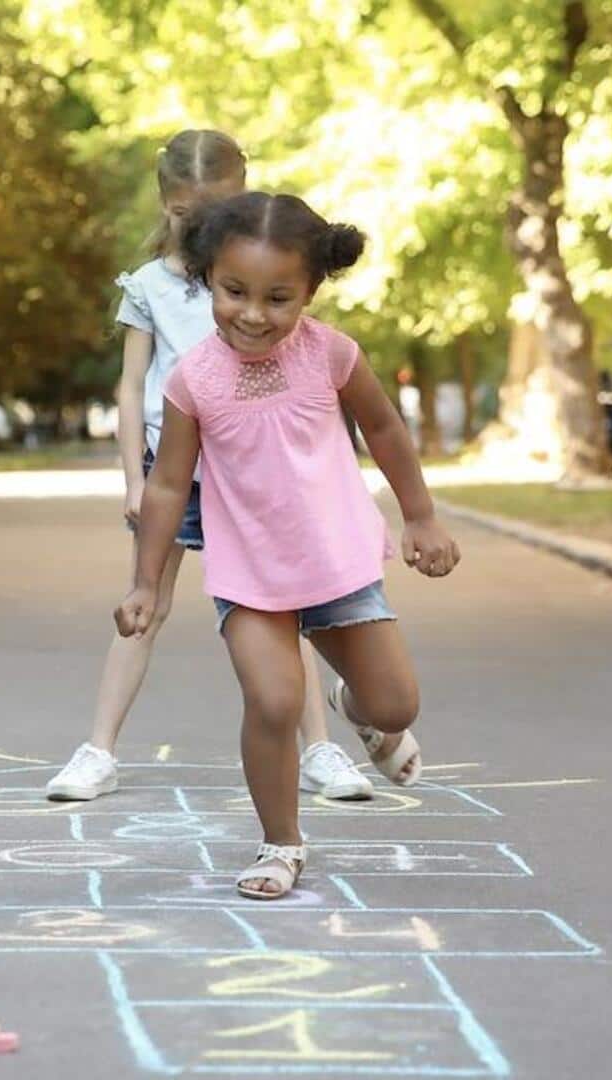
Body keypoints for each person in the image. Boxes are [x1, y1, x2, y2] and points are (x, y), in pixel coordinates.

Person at [116, 192, 462, 899]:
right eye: (233, 291)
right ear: (209, 277)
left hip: (336, 562)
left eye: (278, 298)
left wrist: (421, 515)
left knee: (395, 706)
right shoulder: (194, 380)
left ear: (311, 291)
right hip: (250, 574)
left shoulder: (331, 354)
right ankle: (281, 844)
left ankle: (359, 711)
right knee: (273, 703)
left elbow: (387, 430)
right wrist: (146, 582)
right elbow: (166, 485)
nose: (252, 313)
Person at [47, 130, 375, 804]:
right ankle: (97, 750)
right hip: (177, 469)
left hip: (258, 471)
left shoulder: (259, 276)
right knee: (145, 603)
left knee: (289, 609)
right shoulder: (147, 287)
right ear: (165, 205)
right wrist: (135, 481)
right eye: (184, 215)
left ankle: (321, 749)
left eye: (214, 212)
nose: (197, 228)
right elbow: (130, 385)